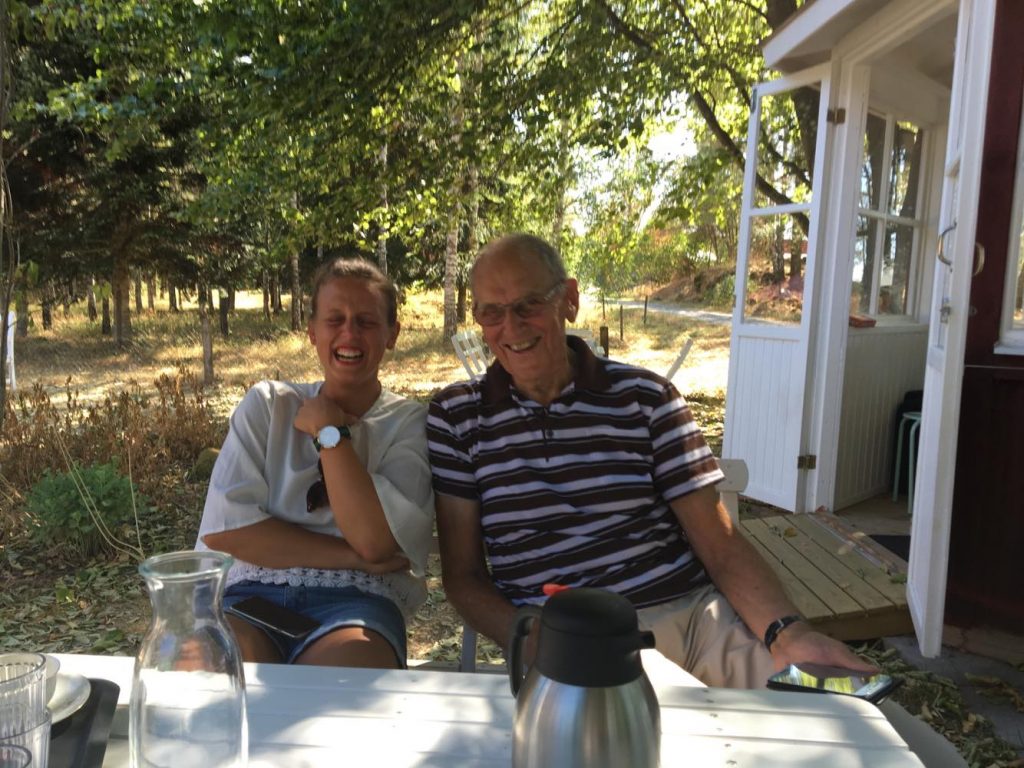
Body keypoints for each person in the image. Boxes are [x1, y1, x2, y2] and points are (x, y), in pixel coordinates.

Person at [426, 233, 874, 688]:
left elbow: (719, 542)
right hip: (569, 636)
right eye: (492, 312)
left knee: (840, 705)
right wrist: (533, 639)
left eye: (529, 305)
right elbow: (463, 576)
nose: (511, 327)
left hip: (695, 623)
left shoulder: (647, 398)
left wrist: (788, 633)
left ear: (569, 300)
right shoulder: (458, 417)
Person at [197, 257, 434, 669]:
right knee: (213, 664)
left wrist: (331, 433)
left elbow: (374, 542)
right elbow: (227, 532)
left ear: (392, 334)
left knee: (344, 679)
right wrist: (352, 558)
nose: (349, 333)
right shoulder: (268, 405)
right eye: (334, 319)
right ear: (312, 331)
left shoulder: (407, 423)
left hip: (357, 602)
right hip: (251, 596)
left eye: (366, 321)